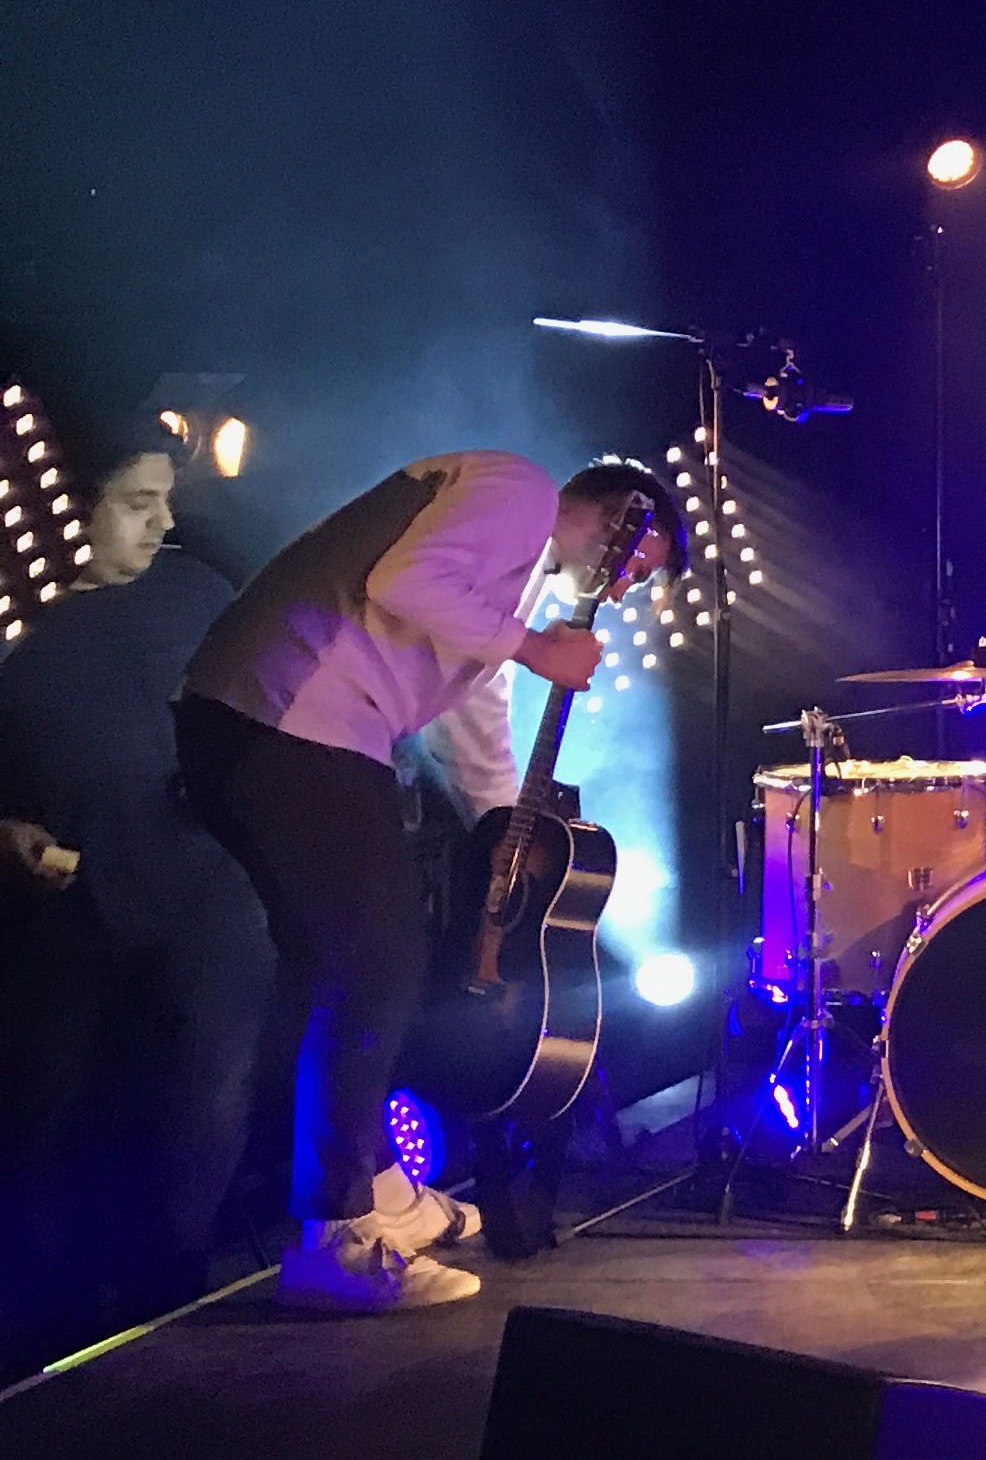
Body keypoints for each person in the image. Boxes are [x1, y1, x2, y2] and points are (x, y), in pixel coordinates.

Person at [176, 451, 673, 1315]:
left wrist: (503, 835)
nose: (623, 589)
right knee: (378, 963)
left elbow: (478, 723)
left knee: (333, 966)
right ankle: (333, 1240)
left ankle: (367, 1190)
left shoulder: (508, 586)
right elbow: (405, 578)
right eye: (633, 561)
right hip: (291, 717)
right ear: (613, 511)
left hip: (269, 723)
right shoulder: (516, 492)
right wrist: (536, 649)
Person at [0, 440, 272, 1369]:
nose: (163, 524)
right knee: (49, 1118)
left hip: (209, 902)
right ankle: (46, 1338)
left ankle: (168, 1315)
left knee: (196, 1113)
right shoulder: (18, 617)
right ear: (61, 509)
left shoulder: (196, 593)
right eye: (137, 503)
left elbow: (273, 710)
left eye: (166, 500)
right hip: (68, 915)